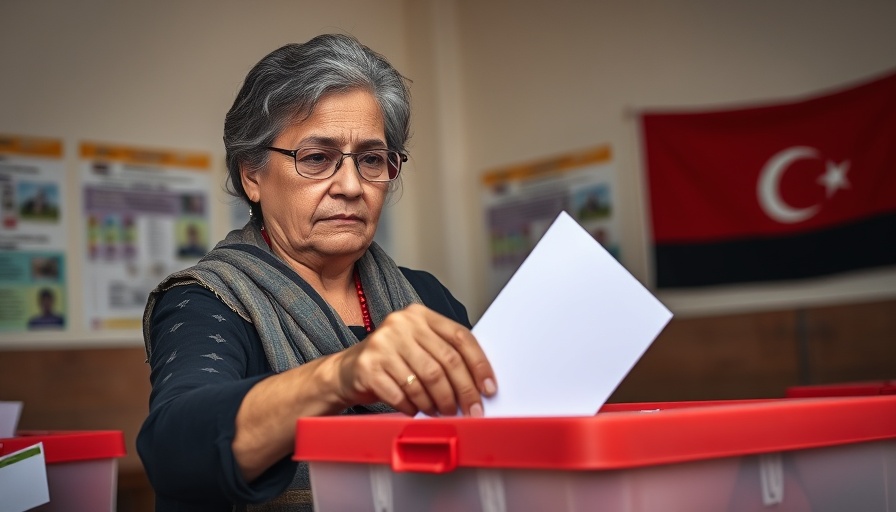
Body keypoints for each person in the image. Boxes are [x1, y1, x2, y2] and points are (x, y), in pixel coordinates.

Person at [137, 34, 497, 511]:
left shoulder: (426, 298)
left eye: (371, 159)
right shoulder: (206, 301)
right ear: (252, 174)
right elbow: (175, 450)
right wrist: (341, 374)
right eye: (316, 158)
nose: (351, 186)